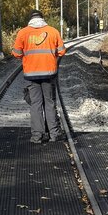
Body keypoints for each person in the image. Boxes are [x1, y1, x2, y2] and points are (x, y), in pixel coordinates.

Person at [12, 9, 65, 143]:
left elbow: (16, 53)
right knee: (49, 102)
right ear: (42, 18)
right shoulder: (53, 31)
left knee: (35, 104)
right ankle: (54, 134)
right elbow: (62, 51)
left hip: (31, 74)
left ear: (30, 19)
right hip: (49, 73)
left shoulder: (23, 32)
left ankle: (37, 136)